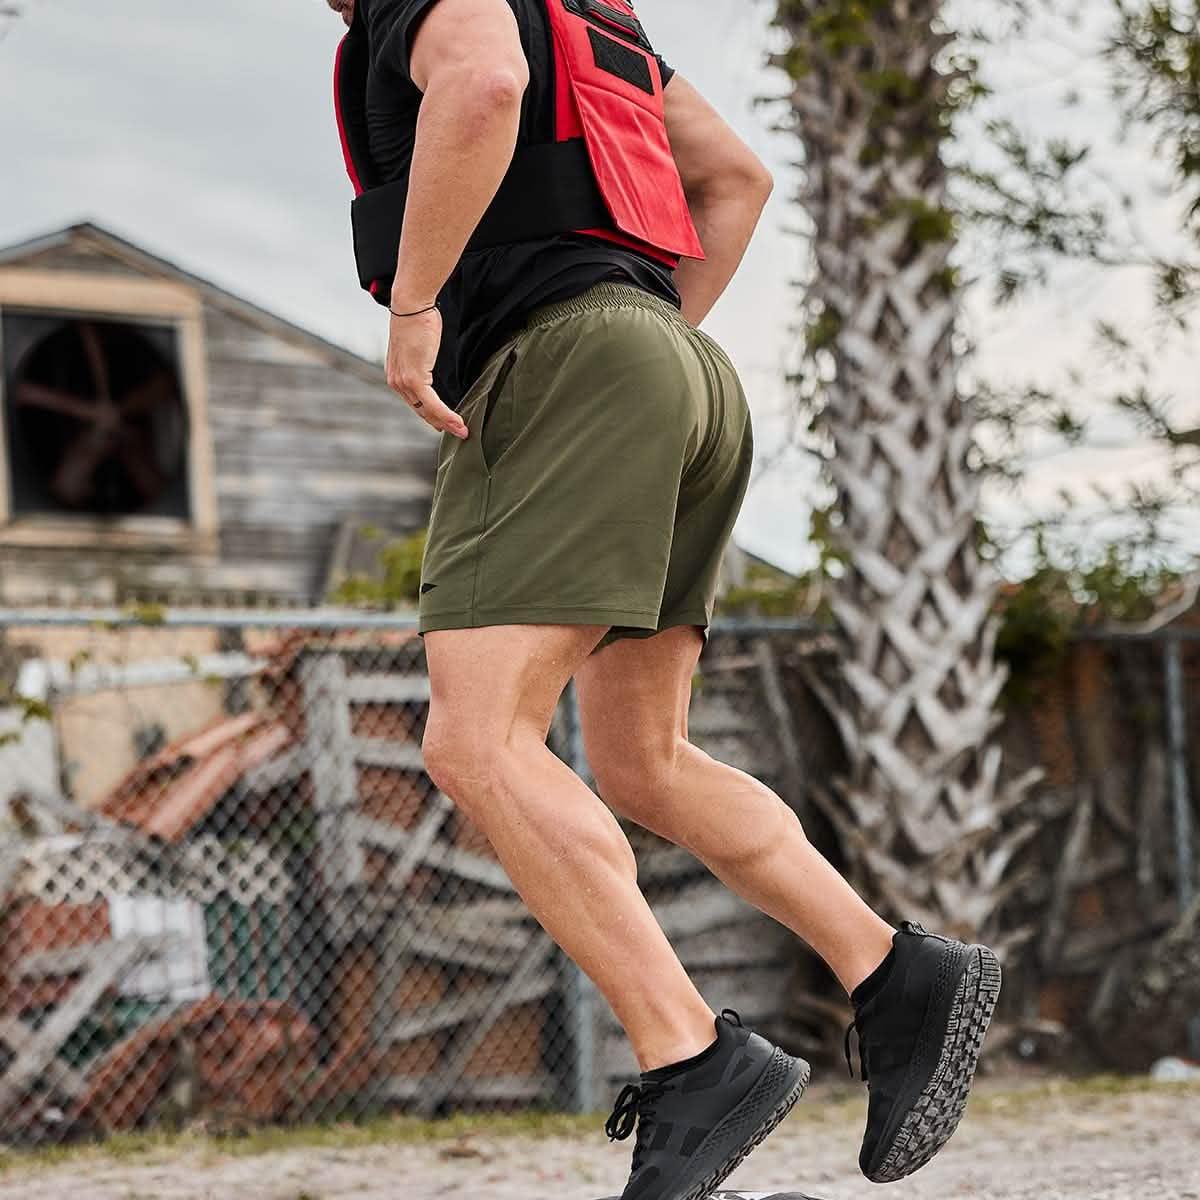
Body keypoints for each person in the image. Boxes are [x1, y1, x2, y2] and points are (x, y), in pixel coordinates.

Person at [324, 2, 1002, 1197]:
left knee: (476, 739)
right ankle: (895, 972)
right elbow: (733, 177)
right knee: (644, 760)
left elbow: (483, 88)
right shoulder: (592, 22)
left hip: (573, 361)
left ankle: (690, 1054)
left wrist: (417, 305)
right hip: (680, 366)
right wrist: (641, 346)